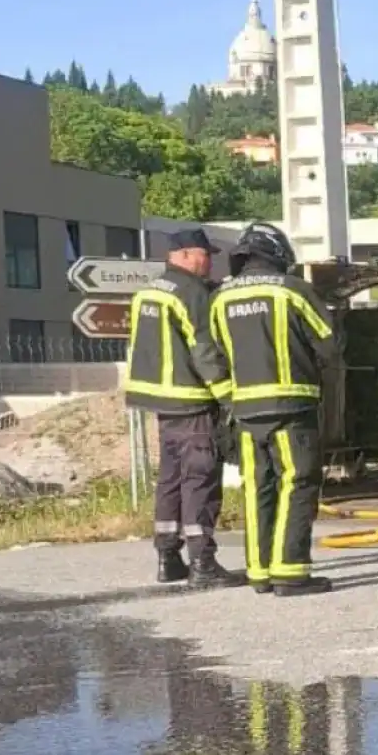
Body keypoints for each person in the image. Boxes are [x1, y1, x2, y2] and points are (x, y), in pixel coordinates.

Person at [210, 221, 339, 596]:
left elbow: (211, 353)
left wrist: (230, 399)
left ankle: (260, 571)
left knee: (258, 487)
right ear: (278, 254)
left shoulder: (220, 298)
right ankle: (290, 572)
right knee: (297, 483)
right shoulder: (294, 291)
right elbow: (330, 343)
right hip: (291, 408)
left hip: (245, 413)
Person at [124, 228, 240, 588]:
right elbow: (203, 350)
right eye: (206, 254)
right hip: (191, 400)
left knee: (171, 480)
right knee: (200, 480)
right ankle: (203, 562)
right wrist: (228, 397)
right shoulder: (191, 293)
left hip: (158, 401)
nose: (209, 262)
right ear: (187, 255)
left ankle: (167, 557)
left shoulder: (148, 291)